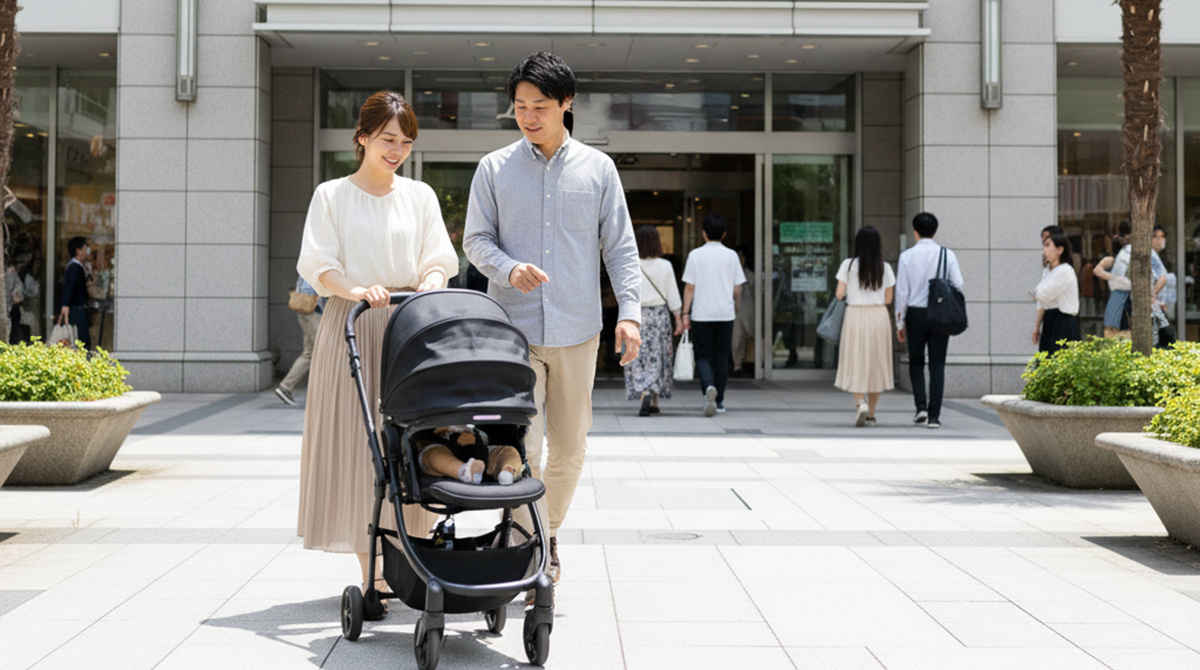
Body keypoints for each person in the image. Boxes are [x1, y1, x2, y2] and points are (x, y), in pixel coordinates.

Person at [463, 51, 641, 599]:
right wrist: (507, 268)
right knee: (524, 447)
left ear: (567, 103)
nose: (528, 116)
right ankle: (528, 541)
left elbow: (621, 248)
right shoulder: (494, 168)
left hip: (577, 329)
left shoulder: (598, 169)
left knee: (569, 447)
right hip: (511, 331)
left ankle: (547, 531)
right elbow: (475, 241)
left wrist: (630, 314)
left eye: (539, 106)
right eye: (519, 106)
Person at [296, 90, 458, 618]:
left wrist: (431, 282)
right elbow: (320, 266)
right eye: (388, 139)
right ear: (362, 137)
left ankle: (408, 558)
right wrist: (359, 289)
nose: (397, 150)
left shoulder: (420, 195)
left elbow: (438, 258)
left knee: (413, 441)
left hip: (409, 327)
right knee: (359, 445)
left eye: (406, 142)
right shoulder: (331, 196)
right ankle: (374, 573)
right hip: (354, 323)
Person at [895, 212, 962, 430]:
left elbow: (902, 293)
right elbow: (959, 283)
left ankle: (920, 408)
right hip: (940, 314)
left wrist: (899, 323)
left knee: (916, 362)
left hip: (915, 314)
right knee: (937, 364)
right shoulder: (947, 255)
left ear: (915, 232)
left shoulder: (907, 256)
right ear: (935, 231)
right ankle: (934, 416)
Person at [680, 213, 746, 417]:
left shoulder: (695, 255)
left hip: (701, 313)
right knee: (722, 357)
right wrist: (736, 307)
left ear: (703, 233)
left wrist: (685, 312)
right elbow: (737, 289)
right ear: (724, 234)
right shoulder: (732, 256)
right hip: (725, 313)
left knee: (702, 355)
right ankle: (719, 401)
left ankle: (708, 387)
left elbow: (689, 287)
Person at [833, 226, 895, 426]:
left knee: (854, 359)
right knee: (877, 362)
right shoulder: (885, 268)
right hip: (878, 316)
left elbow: (839, 294)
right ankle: (871, 415)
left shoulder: (848, 265)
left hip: (855, 315)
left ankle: (860, 402)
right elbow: (888, 299)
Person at [625, 225, 683, 416]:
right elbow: (673, 295)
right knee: (659, 356)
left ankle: (644, 393)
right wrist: (678, 318)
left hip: (636, 315)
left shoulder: (631, 264)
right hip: (659, 315)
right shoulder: (665, 266)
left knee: (638, 355)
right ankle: (654, 397)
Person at [274, 276, 325, 406]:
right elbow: (311, 292)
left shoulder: (308, 267)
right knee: (326, 352)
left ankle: (285, 387)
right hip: (314, 314)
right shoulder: (314, 267)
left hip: (308, 314)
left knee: (309, 353)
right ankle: (326, 394)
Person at [417, 426, 524, 485]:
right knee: (433, 455)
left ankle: (508, 471)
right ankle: (465, 472)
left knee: (508, 451)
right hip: (446, 447)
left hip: (483, 453)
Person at [1032, 232, 1081, 354]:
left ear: (1059, 250)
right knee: (1046, 359)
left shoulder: (1065, 270)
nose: (1044, 250)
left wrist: (1036, 294)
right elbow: (1041, 303)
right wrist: (1037, 326)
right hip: (1049, 319)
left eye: (1047, 245)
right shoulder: (1047, 271)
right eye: (1044, 246)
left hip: (1063, 321)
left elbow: (1043, 294)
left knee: (1061, 359)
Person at [58, 236, 91, 350]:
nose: (87, 251)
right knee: (81, 340)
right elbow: (69, 286)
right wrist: (65, 304)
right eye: (85, 248)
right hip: (76, 309)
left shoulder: (77, 266)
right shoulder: (74, 267)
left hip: (76, 308)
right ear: (78, 251)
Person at [732, 245, 755, 375]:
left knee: (753, 334)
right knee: (736, 339)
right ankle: (737, 365)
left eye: (742, 255)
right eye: (738, 255)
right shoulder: (729, 274)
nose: (740, 258)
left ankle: (754, 363)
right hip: (734, 311)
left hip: (748, 310)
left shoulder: (751, 275)